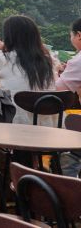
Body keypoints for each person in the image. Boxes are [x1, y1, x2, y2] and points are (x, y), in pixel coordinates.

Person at [0, 14, 59, 125]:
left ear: (9, 36)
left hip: (17, 126)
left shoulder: (1, 57)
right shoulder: (48, 59)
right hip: (50, 129)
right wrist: (3, 47)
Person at [55, 18, 81, 177]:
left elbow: (58, 88)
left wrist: (55, 69)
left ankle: (69, 196)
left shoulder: (78, 61)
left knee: (69, 156)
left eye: (71, 36)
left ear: (79, 35)